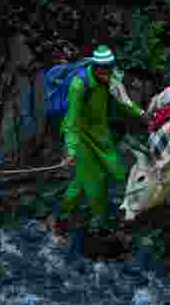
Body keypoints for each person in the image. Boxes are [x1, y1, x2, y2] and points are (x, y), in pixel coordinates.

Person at [50, 45, 147, 243]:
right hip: (83, 139)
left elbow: (124, 102)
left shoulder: (113, 78)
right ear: (95, 67)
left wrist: (144, 115)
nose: (107, 73)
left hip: (102, 136)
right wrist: (70, 150)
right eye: (103, 69)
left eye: (110, 68)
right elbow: (70, 122)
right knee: (95, 182)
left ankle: (61, 218)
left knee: (114, 174)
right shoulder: (79, 85)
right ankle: (98, 227)